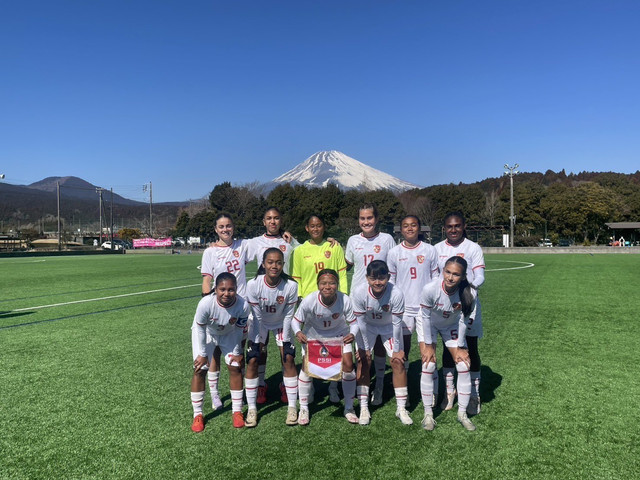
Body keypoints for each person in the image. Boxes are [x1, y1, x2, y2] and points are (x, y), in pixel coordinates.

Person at [291, 213, 348, 403]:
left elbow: (342, 274)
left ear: (324, 227)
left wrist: (344, 298)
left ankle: (333, 386)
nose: (316, 229)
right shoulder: (299, 251)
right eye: (312, 226)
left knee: (333, 346)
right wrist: (299, 300)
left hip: (333, 302)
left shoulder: (334, 247)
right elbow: (296, 278)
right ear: (307, 228)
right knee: (308, 347)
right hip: (309, 305)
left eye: (319, 225)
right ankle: (311, 387)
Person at [345, 203, 397, 406]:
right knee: (362, 348)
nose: (366, 222)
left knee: (380, 345)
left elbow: (394, 267)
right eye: (362, 218)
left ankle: (380, 385)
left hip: (382, 299)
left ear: (376, 219)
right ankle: (361, 386)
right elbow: (346, 265)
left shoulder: (387, 240)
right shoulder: (352, 240)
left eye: (369, 218)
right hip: (358, 300)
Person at [292, 269, 359, 425]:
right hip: (315, 336)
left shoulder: (345, 299)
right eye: (323, 283)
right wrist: (298, 332)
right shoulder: (310, 300)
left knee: (348, 366)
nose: (327, 286)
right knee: (306, 369)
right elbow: (295, 320)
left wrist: (353, 333)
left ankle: (349, 408)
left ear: (337, 284)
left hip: (338, 336)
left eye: (332, 283)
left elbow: (354, 322)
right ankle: (303, 408)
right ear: (318, 285)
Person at [435, 211, 485, 415]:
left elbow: (480, 275)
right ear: (444, 228)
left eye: (457, 226)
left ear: (464, 226)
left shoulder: (473, 248)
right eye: (449, 226)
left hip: (467, 305)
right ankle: (449, 393)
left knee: (471, 347)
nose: (453, 229)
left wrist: (468, 291)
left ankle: (474, 395)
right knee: (449, 348)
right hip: (446, 308)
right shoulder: (437, 249)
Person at [199, 214, 251, 410]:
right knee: (216, 353)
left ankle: (241, 389)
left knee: (238, 350)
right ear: (216, 229)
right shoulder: (210, 252)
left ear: (233, 227)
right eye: (221, 226)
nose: (225, 229)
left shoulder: (242, 246)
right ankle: (215, 395)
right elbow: (206, 279)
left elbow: (267, 243)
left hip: (239, 308)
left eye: (228, 225)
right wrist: (207, 300)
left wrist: (287, 236)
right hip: (219, 308)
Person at [419, 256, 477, 431]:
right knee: (428, 364)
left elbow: (462, 320)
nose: (450, 277)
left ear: (464, 276)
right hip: (428, 324)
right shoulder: (430, 289)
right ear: (442, 271)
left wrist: (460, 346)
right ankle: (428, 414)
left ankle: (462, 414)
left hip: (451, 325)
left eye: (456, 274)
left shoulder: (470, 293)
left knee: (463, 364)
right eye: (448, 272)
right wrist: (429, 345)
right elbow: (425, 317)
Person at [248, 207, 300, 404]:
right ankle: (261, 384)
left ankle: (286, 386)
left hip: (283, 301)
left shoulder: (288, 241)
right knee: (260, 348)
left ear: (281, 220)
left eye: (276, 218)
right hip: (261, 301)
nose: (272, 221)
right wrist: (216, 244)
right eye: (268, 218)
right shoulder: (254, 242)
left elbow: (308, 250)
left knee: (285, 349)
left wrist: (331, 242)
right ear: (263, 221)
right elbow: (234, 248)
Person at [387, 215, 439, 405]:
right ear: (401, 229)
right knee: (403, 350)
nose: (410, 229)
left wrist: (431, 300)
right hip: (403, 310)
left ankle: (431, 391)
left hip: (424, 310)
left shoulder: (430, 250)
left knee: (427, 350)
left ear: (419, 228)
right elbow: (391, 281)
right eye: (406, 226)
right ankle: (405, 391)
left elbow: (436, 278)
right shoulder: (394, 252)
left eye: (413, 225)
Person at [245, 248, 299, 427]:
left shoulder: (291, 286)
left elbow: (289, 315)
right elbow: (257, 316)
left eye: (278, 262)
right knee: (253, 359)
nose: (274, 266)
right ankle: (252, 408)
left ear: (283, 265)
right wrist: (257, 343)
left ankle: (292, 407)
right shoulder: (253, 285)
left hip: (281, 322)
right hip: (260, 323)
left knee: (288, 357)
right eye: (270, 262)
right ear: (263, 264)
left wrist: (285, 342)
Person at [351, 260, 410, 426]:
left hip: (389, 328)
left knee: (398, 362)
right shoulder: (359, 292)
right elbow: (360, 323)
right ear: (367, 278)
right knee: (364, 361)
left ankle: (401, 408)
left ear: (388, 277)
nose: (377, 282)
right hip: (368, 328)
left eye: (382, 278)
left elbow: (397, 324)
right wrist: (363, 347)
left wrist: (398, 349)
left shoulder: (396, 293)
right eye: (373, 278)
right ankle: (363, 408)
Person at [190, 272, 250, 432]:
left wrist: (237, 351)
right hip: (207, 334)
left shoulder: (243, 305)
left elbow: (239, 330)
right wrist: (203, 354)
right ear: (215, 289)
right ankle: (198, 414)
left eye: (231, 289)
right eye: (222, 289)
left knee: (236, 366)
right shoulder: (205, 304)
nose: (226, 293)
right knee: (199, 369)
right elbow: (200, 329)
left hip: (229, 334)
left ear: (236, 289)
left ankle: (237, 412)